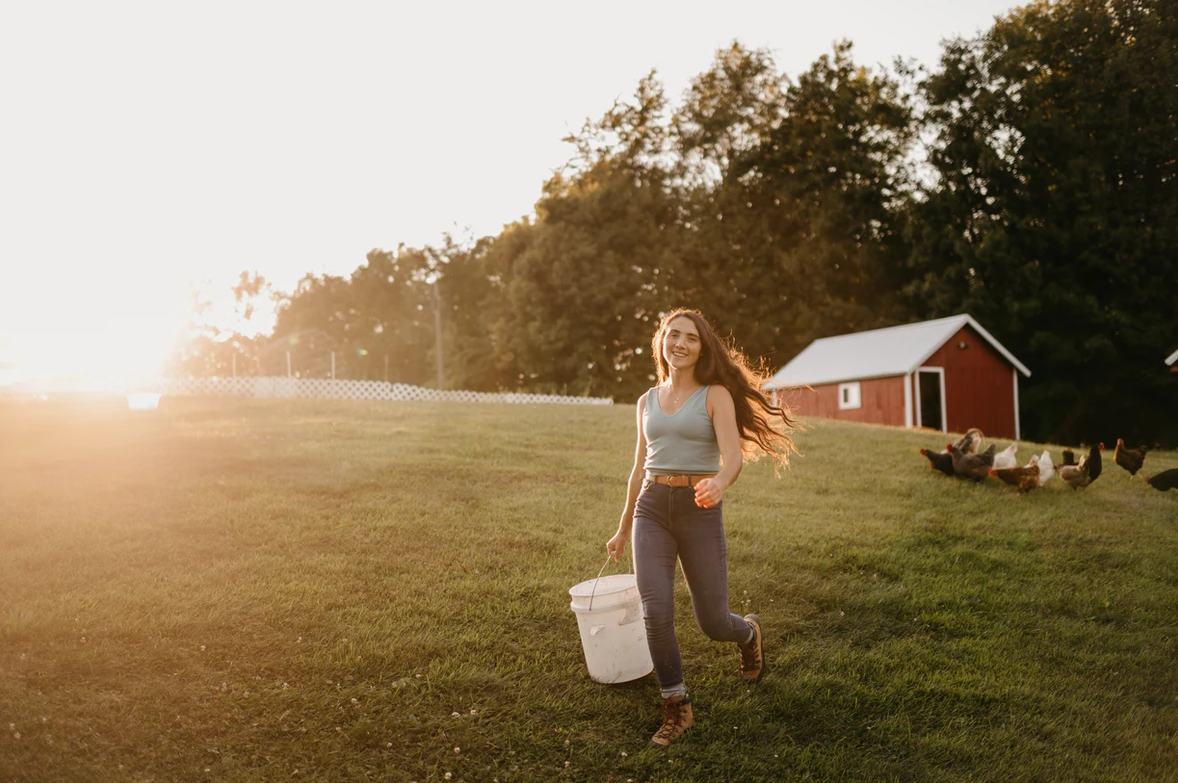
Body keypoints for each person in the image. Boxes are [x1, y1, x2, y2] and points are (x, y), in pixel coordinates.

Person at [606, 308, 798, 748]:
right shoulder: (646, 401)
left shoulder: (715, 395)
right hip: (651, 509)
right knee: (655, 611)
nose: (680, 343)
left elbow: (732, 456)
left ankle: (748, 633)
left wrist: (720, 481)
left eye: (690, 338)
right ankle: (677, 705)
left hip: (699, 507)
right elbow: (638, 469)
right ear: (661, 342)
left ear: (702, 346)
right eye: (672, 335)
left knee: (713, 622)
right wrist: (622, 528)